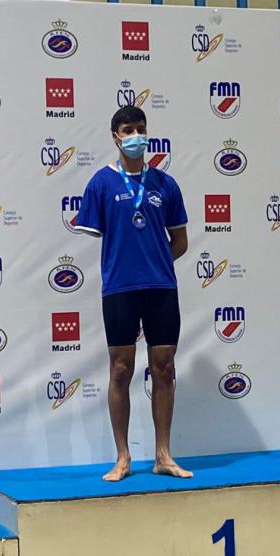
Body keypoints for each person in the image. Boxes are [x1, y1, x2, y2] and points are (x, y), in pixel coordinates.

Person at [76, 106, 191, 482]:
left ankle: (163, 454)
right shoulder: (100, 184)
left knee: (165, 369)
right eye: (128, 129)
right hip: (119, 290)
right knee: (121, 370)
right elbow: (97, 234)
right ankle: (123, 457)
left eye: (141, 128)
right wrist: (131, 267)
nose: (136, 135)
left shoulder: (165, 184)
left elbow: (181, 241)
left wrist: (153, 263)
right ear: (115, 136)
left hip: (160, 288)